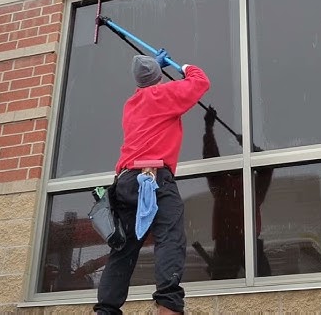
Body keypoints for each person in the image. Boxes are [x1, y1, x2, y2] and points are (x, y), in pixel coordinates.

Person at [94, 53, 210, 315]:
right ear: (158, 78)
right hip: (153, 178)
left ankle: (106, 310)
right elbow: (200, 81)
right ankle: (168, 306)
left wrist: (154, 69)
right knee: (170, 238)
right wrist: (182, 66)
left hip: (125, 182)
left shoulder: (131, 104)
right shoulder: (162, 96)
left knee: (123, 250)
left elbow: (148, 88)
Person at [202, 106, 273, 279]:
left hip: (230, 242)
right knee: (264, 281)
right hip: (235, 241)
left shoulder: (225, 186)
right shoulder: (249, 187)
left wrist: (209, 129)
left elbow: (211, 161)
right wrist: (251, 149)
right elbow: (266, 167)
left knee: (226, 283)